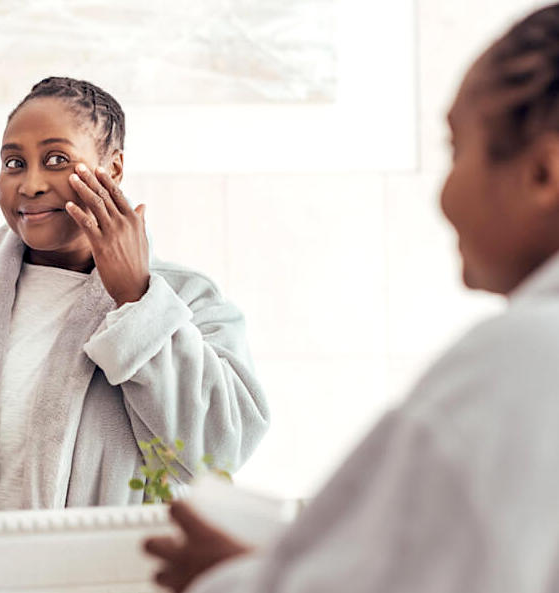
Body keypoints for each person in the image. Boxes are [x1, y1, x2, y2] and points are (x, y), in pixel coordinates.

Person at [146, 4, 559, 592]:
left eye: (455, 147)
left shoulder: (524, 361)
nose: (443, 192)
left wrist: (237, 579)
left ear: (544, 173)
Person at [0, 77, 269, 517]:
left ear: (113, 169)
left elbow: (222, 449)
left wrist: (137, 300)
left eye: (56, 159)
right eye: (14, 162)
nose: (30, 184)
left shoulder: (188, 298)